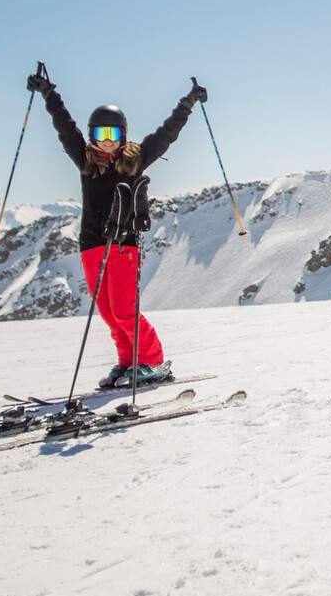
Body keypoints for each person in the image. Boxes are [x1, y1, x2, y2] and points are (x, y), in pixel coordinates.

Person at [26, 69, 206, 389]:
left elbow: (167, 133)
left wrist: (188, 103)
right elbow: (64, 127)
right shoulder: (85, 161)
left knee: (124, 309)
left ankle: (151, 361)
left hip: (124, 242)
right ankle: (128, 361)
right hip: (91, 243)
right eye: (99, 135)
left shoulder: (136, 160)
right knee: (109, 312)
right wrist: (48, 93)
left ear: (123, 135)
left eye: (112, 135)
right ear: (92, 136)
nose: (106, 142)